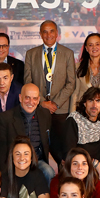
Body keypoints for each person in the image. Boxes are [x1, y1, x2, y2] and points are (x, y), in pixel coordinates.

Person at [24, 20, 76, 163]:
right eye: (45, 32)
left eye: (51, 31)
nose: (48, 34)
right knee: (41, 144)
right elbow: (28, 82)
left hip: (60, 110)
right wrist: (42, 102)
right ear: (40, 34)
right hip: (39, 108)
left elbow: (71, 83)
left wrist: (55, 103)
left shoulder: (68, 53)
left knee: (61, 147)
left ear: (57, 33)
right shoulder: (31, 54)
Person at [0, 83, 55, 181]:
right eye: (27, 98)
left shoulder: (45, 115)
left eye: (34, 98)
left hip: (37, 161)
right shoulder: (4, 118)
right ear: (20, 98)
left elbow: (49, 141)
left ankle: (43, 196)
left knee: (49, 172)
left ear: (38, 100)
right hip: (15, 163)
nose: (31, 102)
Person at [71, 33, 100, 117]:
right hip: (83, 114)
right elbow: (75, 93)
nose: (94, 47)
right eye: (90, 45)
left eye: (97, 44)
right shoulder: (78, 67)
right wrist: (72, 115)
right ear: (86, 48)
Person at [63, 86, 100, 163]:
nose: (94, 105)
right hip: (80, 165)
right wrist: (94, 164)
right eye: (90, 100)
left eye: (98, 101)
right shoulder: (74, 120)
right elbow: (69, 153)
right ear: (85, 103)